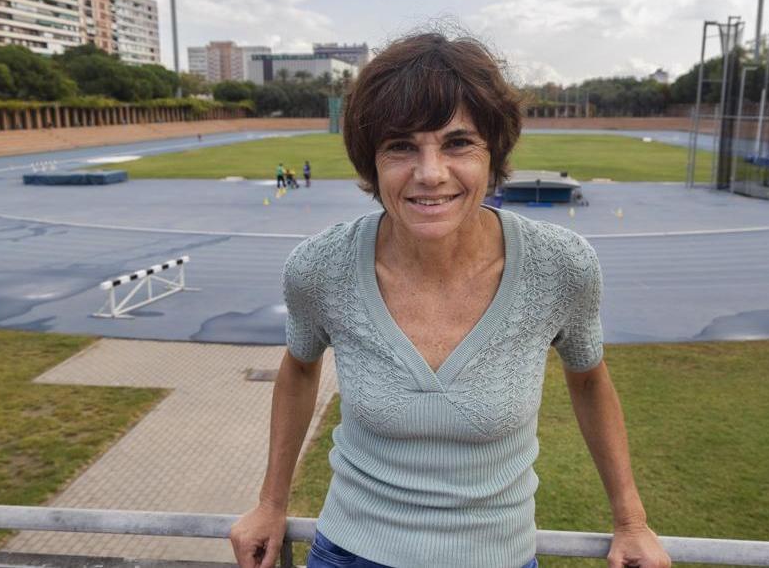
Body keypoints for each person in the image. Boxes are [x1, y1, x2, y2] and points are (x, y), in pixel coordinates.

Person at [230, 33, 669, 568]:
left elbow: (590, 379)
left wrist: (631, 522)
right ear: (371, 161)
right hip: (349, 554)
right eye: (400, 146)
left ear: (494, 154)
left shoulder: (561, 267)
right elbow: (299, 371)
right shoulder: (321, 268)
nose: (431, 173)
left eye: (458, 143)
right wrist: (269, 504)